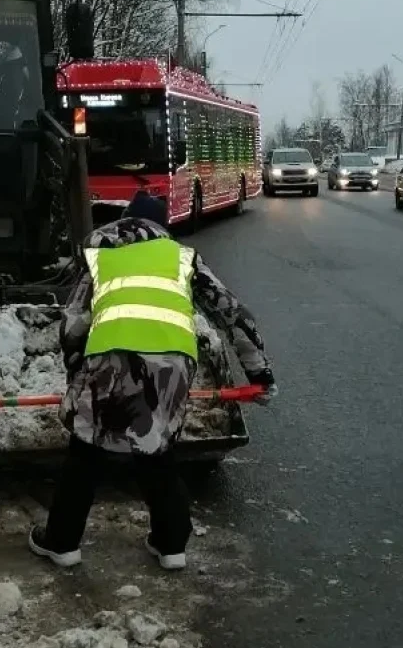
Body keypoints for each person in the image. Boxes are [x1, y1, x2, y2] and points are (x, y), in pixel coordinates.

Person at [29, 190, 275, 570]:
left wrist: (77, 369)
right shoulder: (181, 257)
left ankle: (62, 543)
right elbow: (232, 313)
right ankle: (171, 543)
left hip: (110, 352)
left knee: (87, 449)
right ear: (161, 229)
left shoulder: (101, 255)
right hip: (173, 360)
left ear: (126, 222)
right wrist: (259, 373)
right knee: (156, 447)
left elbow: (74, 322)